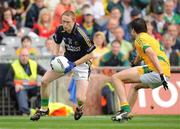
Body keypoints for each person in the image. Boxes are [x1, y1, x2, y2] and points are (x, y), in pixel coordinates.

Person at [30, 10, 96, 121]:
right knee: (44, 81)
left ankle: (79, 108)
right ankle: (44, 108)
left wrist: (74, 64)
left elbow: (91, 55)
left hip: (82, 64)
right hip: (66, 61)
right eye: (63, 21)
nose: (65, 25)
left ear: (74, 21)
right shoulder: (60, 29)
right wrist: (55, 56)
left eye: (67, 22)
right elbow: (57, 42)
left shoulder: (82, 34)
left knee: (80, 98)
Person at [111, 18, 170, 122]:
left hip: (156, 71)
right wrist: (134, 62)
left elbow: (150, 52)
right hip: (166, 74)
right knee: (135, 86)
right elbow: (141, 54)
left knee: (115, 77)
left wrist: (160, 73)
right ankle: (126, 114)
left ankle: (124, 109)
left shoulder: (139, 39)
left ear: (133, 30)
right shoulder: (149, 38)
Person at [6, 48, 46, 115]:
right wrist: (15, 85)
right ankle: (25, 112)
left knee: (43, 89)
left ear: (29, 56)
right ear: (19, 56)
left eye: (26, 55)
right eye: (23, 55)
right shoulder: (14, 65)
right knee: (21, 91)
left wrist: (42, 81)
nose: (24, 57)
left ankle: (41, 110)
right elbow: (8, 81)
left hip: (32, 87)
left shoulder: (34, 64)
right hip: (21, 87)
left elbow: (45, 73)